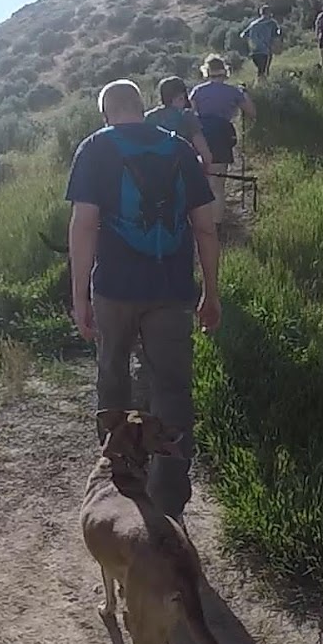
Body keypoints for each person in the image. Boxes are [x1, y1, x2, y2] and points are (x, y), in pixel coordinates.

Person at [66, 79, 220, 521]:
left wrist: (80, 296)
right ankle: (170, 502)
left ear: (106, 113)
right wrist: (211, 292)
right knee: (171, 390)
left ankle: (118, 485)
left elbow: (84, 225)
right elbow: (205, 229)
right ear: (142, 107)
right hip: (171, 291)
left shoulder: (95, 148)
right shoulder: (179, 151)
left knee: (113, 377)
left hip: (114, 289)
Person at [188, 56, 255, 238]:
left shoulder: (197, 91)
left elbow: (187, 115)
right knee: (217, 185)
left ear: (206, 71)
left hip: (200, 135)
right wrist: (244, 94)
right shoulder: (233, 91)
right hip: (222, 134)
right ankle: (216, 228)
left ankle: (198, 224)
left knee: (201, 181)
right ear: (225, 71)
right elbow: (251, 112)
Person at [145, 76, 213, 173]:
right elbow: (204, 152)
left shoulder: (149, 117)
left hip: (155, 171)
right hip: (183, 171)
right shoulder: (187, 116)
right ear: (182, 96)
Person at [239, 5, 282, 80]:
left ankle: (260, 88)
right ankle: (261, 89)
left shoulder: (253, 24)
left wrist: (251, 43)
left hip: (254, 52)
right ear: (269, 13)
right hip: (265, 51)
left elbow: (242, 35)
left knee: (260, 71)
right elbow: (277, 35)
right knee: (264, 73)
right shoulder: (271, 23)